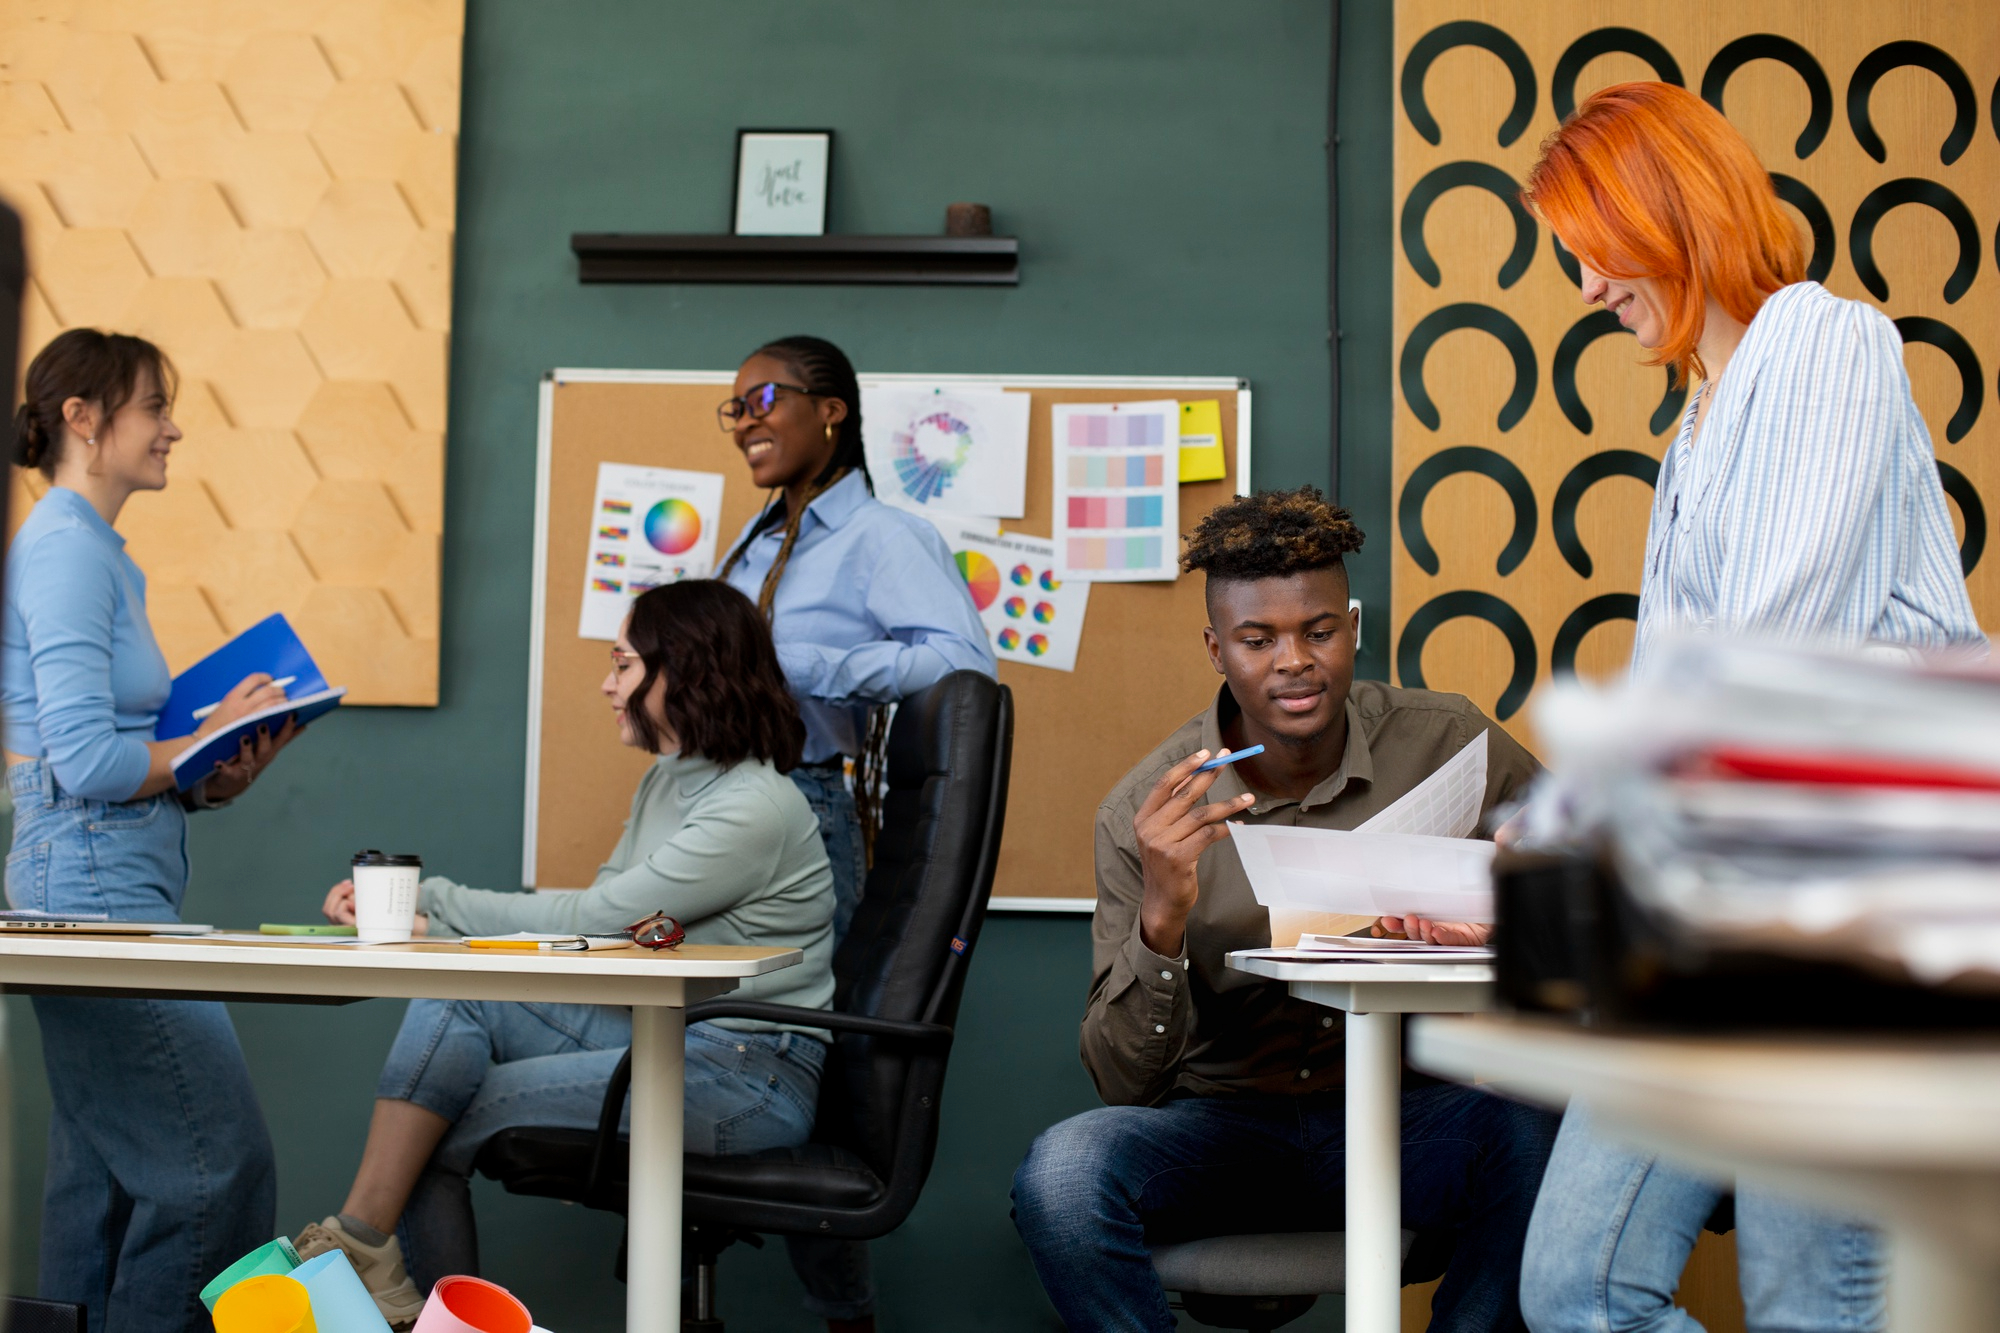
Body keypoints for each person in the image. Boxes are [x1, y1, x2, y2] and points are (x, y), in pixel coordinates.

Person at [1513, 82, 1984, 1333]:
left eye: (1588, 248)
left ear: (1664, 210)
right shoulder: (1696, 421)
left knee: (1806, 1301)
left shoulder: (1825, 344)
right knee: (1573, 1285)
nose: (1582, 289)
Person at [1011, 488, 1557, 1331]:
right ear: (1216, 648)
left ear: (1353, 625)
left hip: (1410, 1115)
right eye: (1257, 639)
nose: (1293, 660)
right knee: (1064, 1174)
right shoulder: (1143, 812)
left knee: (1542, 1133)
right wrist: (1162, 912)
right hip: (1223, 1126)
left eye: (1319, 630)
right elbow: (1121, 1080)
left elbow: (1586, 879)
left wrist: (1516, 896)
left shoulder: (1450, 744)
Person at [295, 580, 836, 1325]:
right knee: (458, 999)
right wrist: (429, 926)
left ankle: (369, 1258)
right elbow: (605, 931)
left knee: (431, 1122)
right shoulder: (667, 782)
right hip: (670, 1037)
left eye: (622, 664)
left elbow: (599, 917)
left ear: (682, 668)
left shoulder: (753, 807)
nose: (608, 685)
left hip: (749, 1077)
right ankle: (365, 1248)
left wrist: (437, 902)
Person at [3, 329, 299, 1332]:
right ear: (84, 418)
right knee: (216, 1166)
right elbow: (83, 764)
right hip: (86, 873)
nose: (173, 427)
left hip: (104, 865)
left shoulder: (93, 552)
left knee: (104, 1178)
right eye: (153, 406)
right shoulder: (64, 551)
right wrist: (204, 735)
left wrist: (216, 767)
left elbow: (114, 754)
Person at [717, 335, 995, 945]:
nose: (745, 422)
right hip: (721, 794)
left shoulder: (884, 537)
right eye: (735, 409)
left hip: (800, 800)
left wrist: (791, 665)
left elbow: (966, 663)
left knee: (780, 1025)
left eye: (762, 398)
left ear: (830, 410)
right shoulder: (755, 540)